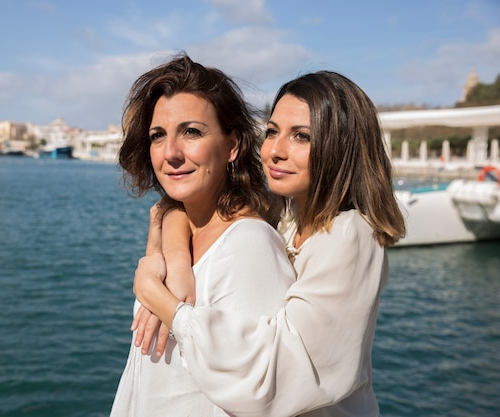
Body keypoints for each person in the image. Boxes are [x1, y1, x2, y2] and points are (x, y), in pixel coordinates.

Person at [132, 70, 407, 416]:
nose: (275, 151)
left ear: (341, 147)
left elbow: (275, 374)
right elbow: (177, 206)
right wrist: (171, 255)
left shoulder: (350, 235)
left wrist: (159, 299)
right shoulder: (286, 213)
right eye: (273, 132)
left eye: (301, 137)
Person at [110, 53, 296, 416]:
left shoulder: (248, 245)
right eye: (157, 136)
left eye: (191, 132)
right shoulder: (174, 225)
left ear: (233, 146)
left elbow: (259, 391)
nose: (171, 153)